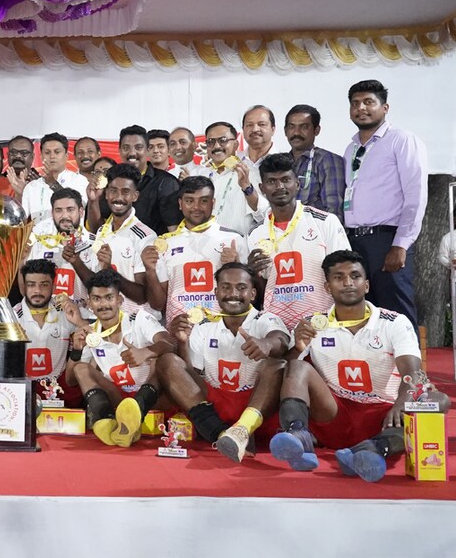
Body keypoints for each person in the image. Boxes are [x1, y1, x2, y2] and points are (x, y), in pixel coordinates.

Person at [271, 251, 450, 482]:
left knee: (437, 401)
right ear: (327, 287)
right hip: (334, 415)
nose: (348, 283)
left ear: (366, 285)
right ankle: (298, 434)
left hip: (385, 416)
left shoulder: (394, 322)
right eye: (338, 277)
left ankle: (372, 449)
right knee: (297, 367)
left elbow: (413, 372)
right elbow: (286, 371)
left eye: (355, 276)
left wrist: (402, 403)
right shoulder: (313, 323)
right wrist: (298, 347)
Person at [160, 262, 291, 463]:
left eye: (241, 287)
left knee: (277, 365)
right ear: (216, 292)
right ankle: (221, 433)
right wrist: (183, 342)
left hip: (256, 403)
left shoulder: (266, 319)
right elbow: (191, 376)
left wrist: (266, 344)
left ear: (253, 294)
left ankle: (243, 429)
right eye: (226, 287)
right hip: (216, 404)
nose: (233, 294)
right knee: (168, 362)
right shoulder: (204, 325)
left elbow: (280, 340)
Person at [341, 79, 427, 329]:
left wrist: (401, 244)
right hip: (354, 241)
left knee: (396, 313)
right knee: (366, 314)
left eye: (369, 102)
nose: (361, 108)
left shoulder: (402, 140)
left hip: (386, 240)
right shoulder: (350, 149)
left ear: (385, 107)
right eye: (355, 103)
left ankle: (409, 357)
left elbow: (415, 195)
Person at [71, 269, 175, 448]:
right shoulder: (90, 333)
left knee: (163, 358)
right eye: (97, 299)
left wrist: (146, 352)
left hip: (152, 397)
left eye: (109, 298)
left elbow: (169, 344)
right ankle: (106, 420)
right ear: (89, 303)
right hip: (118, 398)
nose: (103, 304)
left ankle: (137, 410)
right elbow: (71, 380)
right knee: (80, 368)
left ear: (119, 300)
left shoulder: (138, 318)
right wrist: (76, 351)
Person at [247, 153, 350, 328]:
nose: (279, 186)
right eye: (271, 181)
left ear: (297, 184)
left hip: (321, 322)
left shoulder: (325, 222)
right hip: (276, 325)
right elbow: (262, 287)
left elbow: (344, 272)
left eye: (285, 179)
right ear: (262, 188)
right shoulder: (256, 234)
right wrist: (252, 273)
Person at [144, 176, 247, 324]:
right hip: (179, 331)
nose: (196, 207)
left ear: (213, 203)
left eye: (203, 201)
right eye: (189, 201)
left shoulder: (233, 239)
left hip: (221, 330)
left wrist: (235, 265)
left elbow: (250, 296)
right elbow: (158, 305)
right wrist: (150, 271)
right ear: (180, 204)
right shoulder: (165, 243)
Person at [81, 163, 157, 315]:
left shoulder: (145, 236)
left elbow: (142, 297)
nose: (118, 197)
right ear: (106, 194)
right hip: (107, 321)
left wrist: (110, 271)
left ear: (135, 196)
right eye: (113, 191)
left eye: (125, 192)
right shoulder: (103, 231)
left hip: (135, 322)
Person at [16, 259, 89, 406]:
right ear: (24, 286)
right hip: (23, 388)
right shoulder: (11, 317)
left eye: (44, 285)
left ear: (54, 286)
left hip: (59, 388)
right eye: (31, 285)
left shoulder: (67, 311)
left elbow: (99, 338)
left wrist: (79, 321)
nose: (37, 291)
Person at [24, 188, 90, 314]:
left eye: (70, 210)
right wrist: (21, 261)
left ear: (81, 212)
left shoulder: (94, 244)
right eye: (58, 210)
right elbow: (26, 290)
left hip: (82, 318)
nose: (64, 216)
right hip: (46, 318)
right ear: (52, 213)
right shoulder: (39, 245)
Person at [113, 125, 181, 235]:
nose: (132, 153)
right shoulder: (111, 181)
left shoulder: (166, 183)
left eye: (138, 147)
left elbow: (175, 233)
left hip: (155, 245)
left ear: (147, 150)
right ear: (119, 151)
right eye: (126, 148)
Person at [202, 121, 267, 234]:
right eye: (211, 142)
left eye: (223, 140)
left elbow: (264, 215)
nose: (216, 146)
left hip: (237, 243)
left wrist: (247, 187)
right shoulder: (203, 175)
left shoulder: (250, 172)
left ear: (236, 145)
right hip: (205, 242)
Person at [284, 105, 345, 223]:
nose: (296, 132)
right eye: (291, 127)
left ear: (316, 130)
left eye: (304, 127)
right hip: (285, 232)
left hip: (315, 232)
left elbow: (334, 213)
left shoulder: (327, 160)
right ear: (285, 131)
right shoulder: (282, 163)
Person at [21, 133, 88, 224]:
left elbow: (79, 208)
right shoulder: (32, 186)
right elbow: (22, 221)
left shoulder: (79, 180)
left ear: (66, 156)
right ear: (41, 156)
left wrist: (52, 183)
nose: (52, 156)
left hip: (71, 233)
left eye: (57, 152)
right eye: (47, 152)